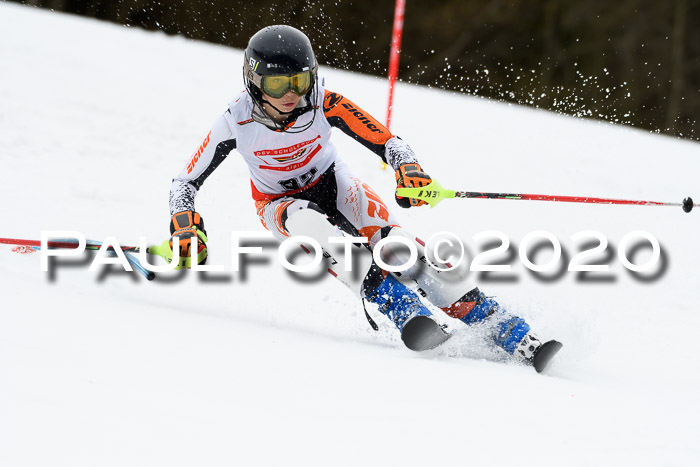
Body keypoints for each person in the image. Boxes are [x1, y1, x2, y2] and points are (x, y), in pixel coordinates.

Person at [166, 25, 561, 372]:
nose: (290, 94)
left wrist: (409, 170)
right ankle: (403, 308)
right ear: (253, 80)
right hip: (278, 204)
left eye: (299, 81)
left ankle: (511, 332)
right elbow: (184, 182)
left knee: (401, 249)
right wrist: (185, 224)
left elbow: (388, 141)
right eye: (276, 84)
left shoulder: (324, 101)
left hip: (333, 183)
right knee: (314, 229)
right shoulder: (234, 121)